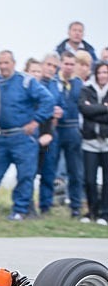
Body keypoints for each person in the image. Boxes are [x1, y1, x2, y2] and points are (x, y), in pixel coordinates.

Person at [0, 51, 54, 220]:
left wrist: (36, 121)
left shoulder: (26, 81)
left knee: (25, 176)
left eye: (6, 62)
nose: (3, 66)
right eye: (0, 63)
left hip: (23, 137)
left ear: (13, 63)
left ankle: (20, 210)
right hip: (2, 137)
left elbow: (48, 100)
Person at [49, 51, 85, 219]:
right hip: (56, 129)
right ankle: (47, 203)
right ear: (61, 64)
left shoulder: (79, 84)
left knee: (75, 171)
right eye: (66, 64)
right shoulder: (53, 82)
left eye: (72, 64)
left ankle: (75, 206)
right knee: (50, 168)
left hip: (73, 129)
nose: (69, 67)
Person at [78, 61, 108, 225]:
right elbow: (84, 110)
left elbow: (91, 112)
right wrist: (104, 107)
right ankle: (92, 211)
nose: (102, 75)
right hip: (89, 142)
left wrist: (94, 110)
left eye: (105, 72)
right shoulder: (86, 89)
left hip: (106, 142)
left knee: (106, 181)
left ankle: (105, 214)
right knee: (89, 180)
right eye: (100, 72)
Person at [35, 54, 61, 214]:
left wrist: (60, 112)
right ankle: (26, 205)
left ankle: (45, 206)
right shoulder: (34, 82)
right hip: (34, 130)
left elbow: (61, 106)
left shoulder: (56, 86)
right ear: (42, 64)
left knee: (49, 171)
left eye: (54, 66)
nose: (51, 69)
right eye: (48, 65)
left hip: (51, 132)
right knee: (30, 170)